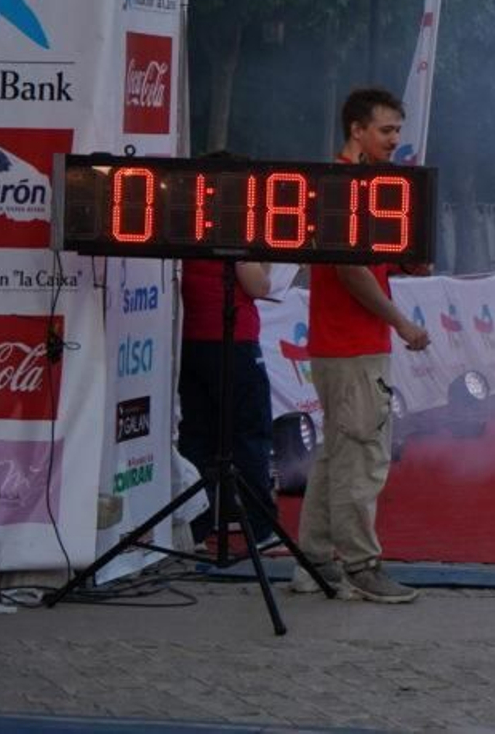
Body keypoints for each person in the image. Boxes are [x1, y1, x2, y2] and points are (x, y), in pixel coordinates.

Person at [291, 87, 431, 603]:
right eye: (386, 130)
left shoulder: (356, 186)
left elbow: (363, 265)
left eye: (397, 130)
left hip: (341, 346)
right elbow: (350, 271)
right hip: (351, 347)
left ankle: (316, 562)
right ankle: (360, 564)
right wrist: (401, 321)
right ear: (357, 130)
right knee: (363, 459)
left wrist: (405, 263)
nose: (395, 140)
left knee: (337, 456)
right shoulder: (345, 186)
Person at [177, 250, 278, 551]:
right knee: (249, 433)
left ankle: (196, 528)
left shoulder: (189, 227)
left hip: (191, 338)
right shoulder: (234, 225)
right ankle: (261, 529)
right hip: (233, 339)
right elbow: (258, 285)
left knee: (197, 437)